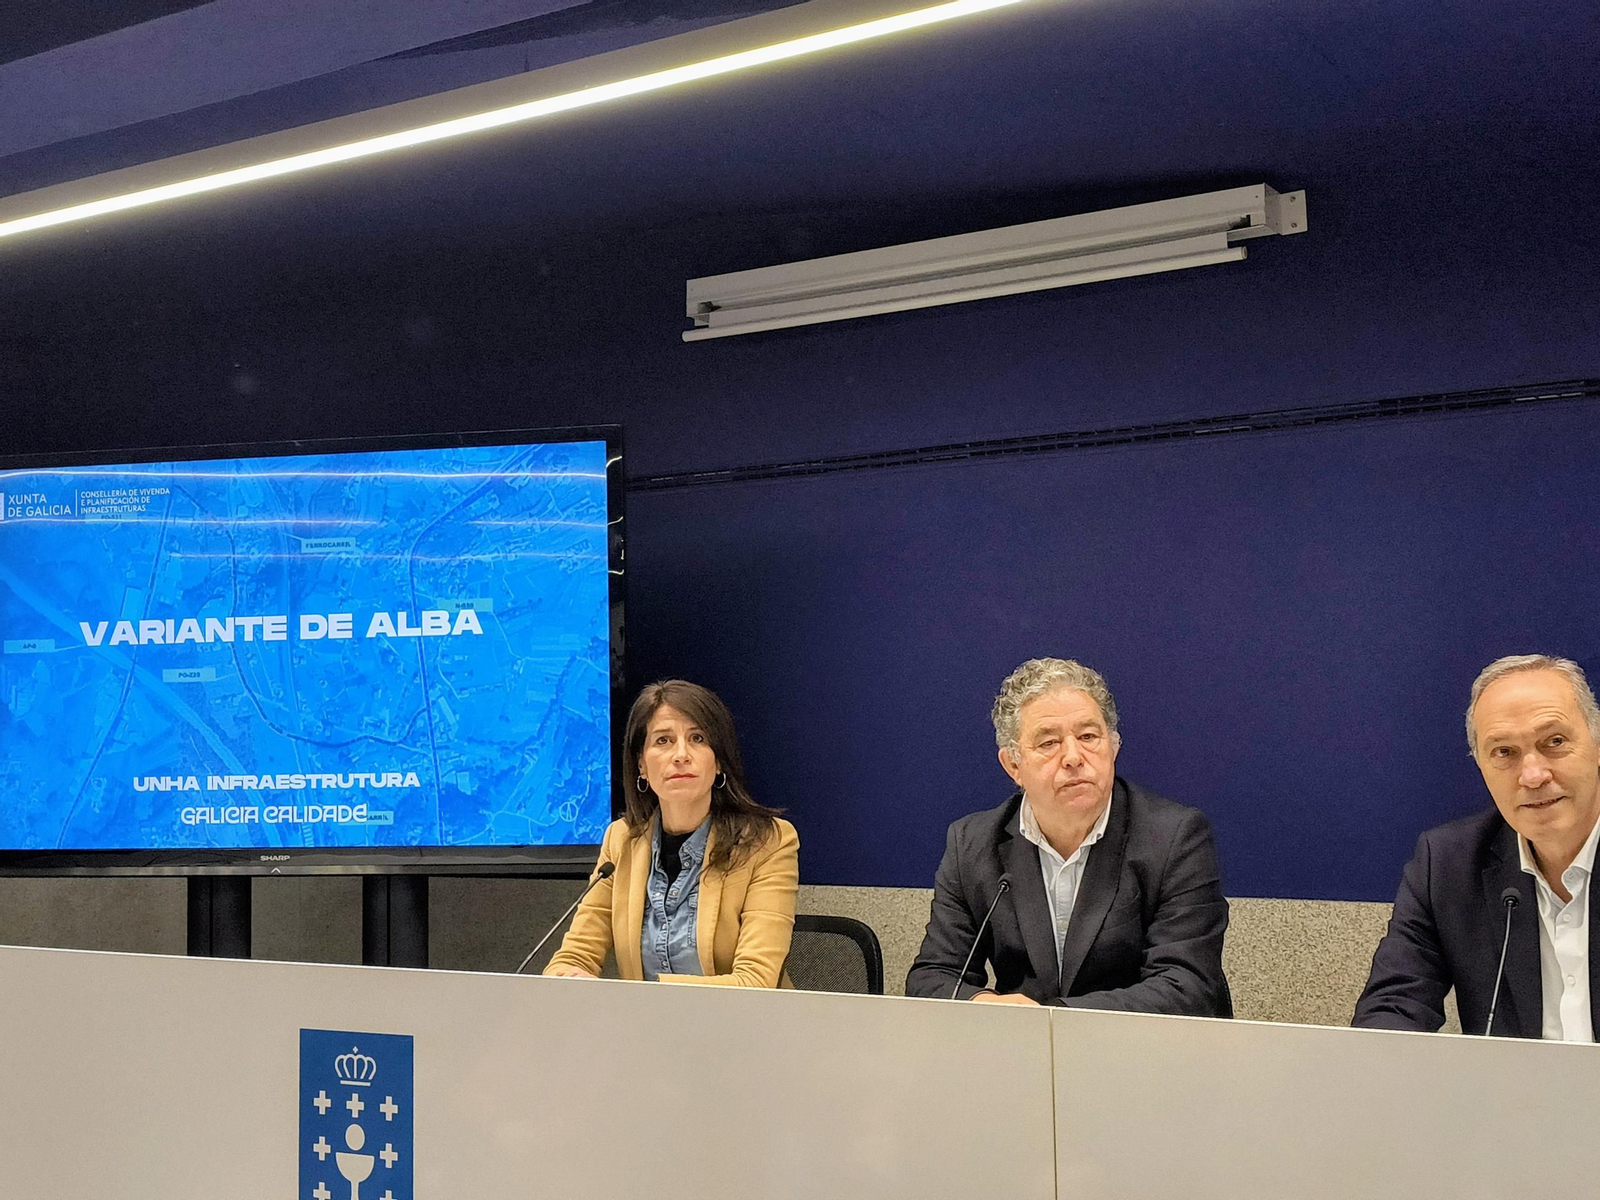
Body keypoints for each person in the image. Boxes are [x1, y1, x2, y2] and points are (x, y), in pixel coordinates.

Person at [906, 658, 1231, 1013]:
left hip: (1139, 1054)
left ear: (1114, 746)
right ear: (1013, 765)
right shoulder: (972, 843)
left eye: (1089, 736)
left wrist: (1052, 1019)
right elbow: (932, 977)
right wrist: (986, 1007)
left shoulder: (1175, 837)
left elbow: (1187, 985)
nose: (1074, 756)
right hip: (1022, 1056)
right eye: (1048, 743)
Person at [1354, 654, 1600, 1039]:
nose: (1533, 775)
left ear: (1596, 744)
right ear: (1482, 766)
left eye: (1554, 741)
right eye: (1504, 752)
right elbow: (1394, 1007)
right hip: (1510, 1099)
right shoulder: (1449, 865)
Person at [544, 679, 799, 987]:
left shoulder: (768, 842)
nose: (681, 754)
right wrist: (565, 978)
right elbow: (573, 957)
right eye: (663, 741)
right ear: (641, 764)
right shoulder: (621, 840)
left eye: (698, 738)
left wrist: (637, 997)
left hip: (742, 1030)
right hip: (646, 1031)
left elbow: (755, 982)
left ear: (718, 761)